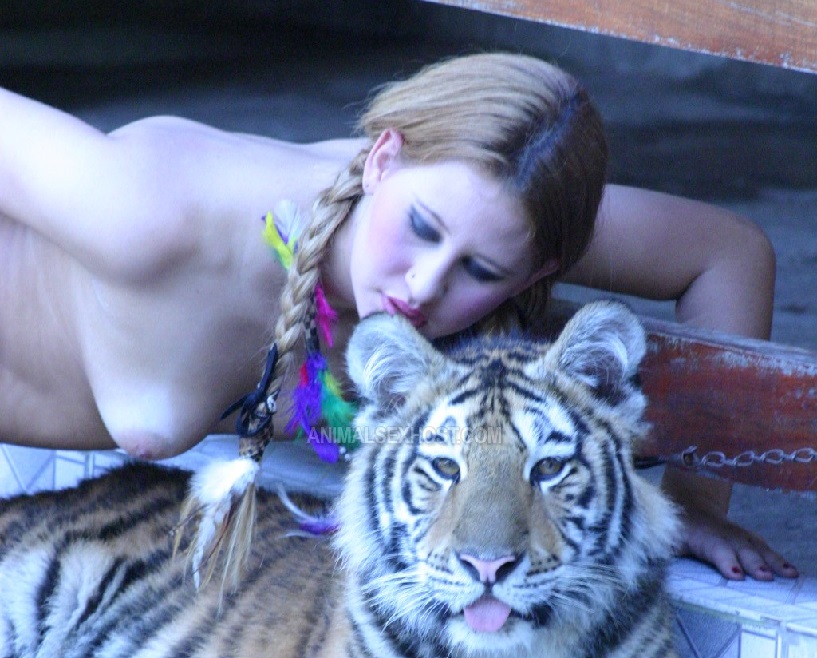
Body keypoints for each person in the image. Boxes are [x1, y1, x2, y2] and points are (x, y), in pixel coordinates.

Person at [0, 52, 796, 583]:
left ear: (536, 272)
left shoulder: (503, 205)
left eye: (479, 272)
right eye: (420, 228)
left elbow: (725, 251)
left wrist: (693, 503)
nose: (422, 286)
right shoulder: (148, 209)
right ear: (382, 159)